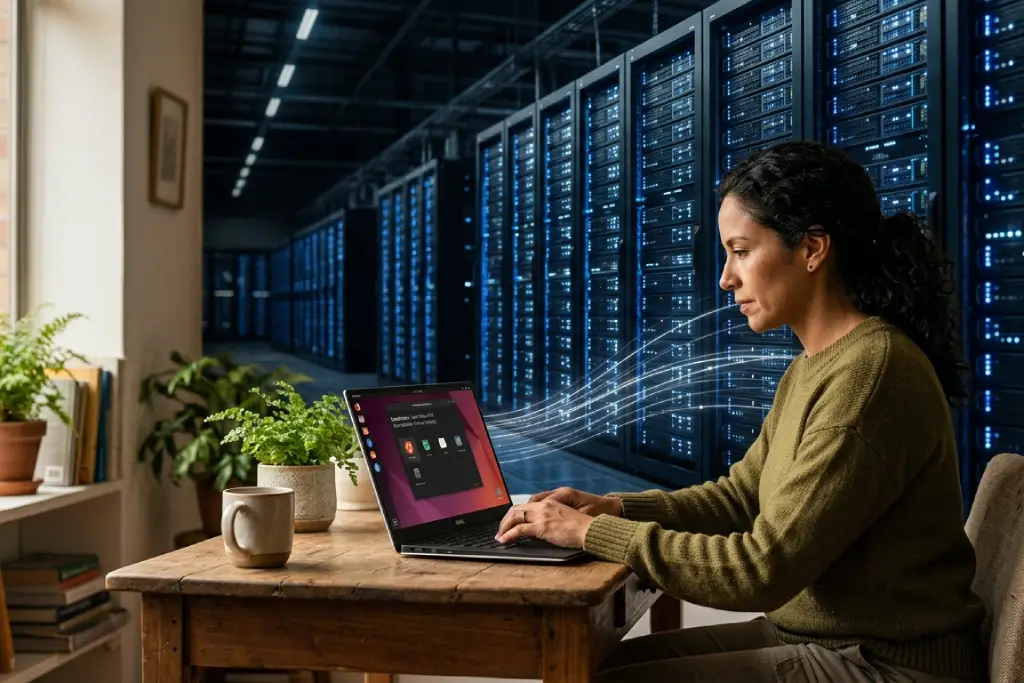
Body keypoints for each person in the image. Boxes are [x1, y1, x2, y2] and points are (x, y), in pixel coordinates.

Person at [495, 141, 986, 682]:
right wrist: (614, 508)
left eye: (741, 251)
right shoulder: (813, 366)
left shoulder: (870, 376)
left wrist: (592, 534)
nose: (726, 277)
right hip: (826, 639)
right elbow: (740, 497)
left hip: (887, 664)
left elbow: (762, 569)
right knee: (593, 667)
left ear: (813, 248)